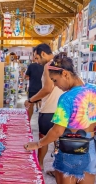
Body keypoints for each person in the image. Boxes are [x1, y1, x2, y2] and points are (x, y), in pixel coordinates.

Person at [24, 52, 96, 184]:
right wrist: (88, 118)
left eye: (55, 80)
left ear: (65, 74)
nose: (55, 85)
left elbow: (57, 131)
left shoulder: (66, 98)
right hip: (91, 148)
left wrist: (38, 144)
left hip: (70, 150)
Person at [25, 44, 63, 172]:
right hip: (61, 109)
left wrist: (31, 99)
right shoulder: (61, 62)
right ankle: (58, 170)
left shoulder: (48, 66)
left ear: (42, 54)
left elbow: (47, 88)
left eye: (37, 58)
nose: (37, 62)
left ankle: (39, 165)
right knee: (58, 141)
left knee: (44, 139)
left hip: (49, 110)